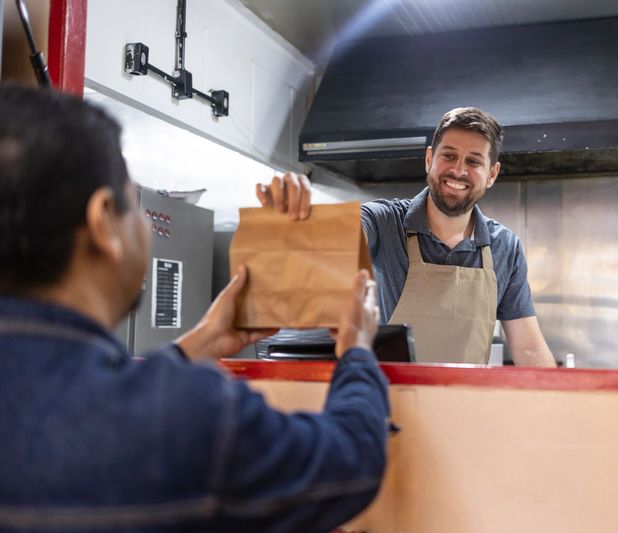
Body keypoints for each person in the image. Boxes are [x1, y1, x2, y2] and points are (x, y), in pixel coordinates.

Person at [0, 84, 390, 532]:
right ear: (104, 221)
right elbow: (349, 463)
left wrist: (200, 341)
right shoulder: (190, 415)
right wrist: (358, 352)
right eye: (135, 206)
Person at [257, 107, 556, 367]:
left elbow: (528, 348)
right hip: (386, 407)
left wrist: (562, 410)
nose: (458, 170)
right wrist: (298, 222)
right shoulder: (382, 221)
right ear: (429, 159)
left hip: (461, 413)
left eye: (474, 161)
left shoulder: (506, 247)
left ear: (492, 174)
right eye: (448, 155)